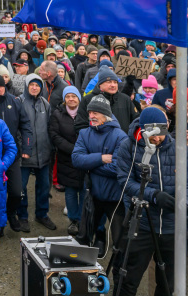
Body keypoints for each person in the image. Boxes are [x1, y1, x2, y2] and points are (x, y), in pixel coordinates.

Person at [106, 107, 188, 296]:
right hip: (141, 223)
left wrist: (183, 203)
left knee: (168, 283)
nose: (160, 138)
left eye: (163, 132)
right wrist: (154, 195)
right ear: (144, 130)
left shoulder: (181, 149)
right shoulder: (128, 147)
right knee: (128, 279)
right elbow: (124, 181)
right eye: (154, 134)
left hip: (171, 226)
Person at [72, 96, 129, 254]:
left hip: (115, 199)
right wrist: (100, 158)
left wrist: (90, 166)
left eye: (95, 113)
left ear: (106, 115)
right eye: (90, 112)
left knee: (120, 244)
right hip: (93, 196)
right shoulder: (85, 133)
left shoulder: (120, 137)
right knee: (83, 238)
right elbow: (76, 159)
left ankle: (118, 275)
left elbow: (117, 167)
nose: (91, 116)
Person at [0, 72, 32, 232]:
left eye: (0, 86)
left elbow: (25, 125)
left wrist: (26, 147)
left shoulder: (15, 101)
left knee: (16, 192)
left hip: (11, 155)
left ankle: (11, 213)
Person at [18, 73, 55, 230]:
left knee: (44, 186)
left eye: (37, 85)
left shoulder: (45, 104)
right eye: (32, 85)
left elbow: (49, 126)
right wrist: (21, 148)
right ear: (27, 86)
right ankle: (22, 217)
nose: (34, 88)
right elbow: (16, 129)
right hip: (25, 154)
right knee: (22, 187)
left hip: (43, 153)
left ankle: (42, 214)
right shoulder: (19, 102)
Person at [49, 86, 87, 235]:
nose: (71, 99)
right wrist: (73, 149)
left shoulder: (85, 113)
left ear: (79, 98)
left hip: (85, 158)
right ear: (64, 99)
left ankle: (83, 218)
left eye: (74, 96)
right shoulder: (57, 114)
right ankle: (74, 220)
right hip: (67, 158)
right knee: (70, 191)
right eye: (68, 96)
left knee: (84, 190)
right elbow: (55, 136)